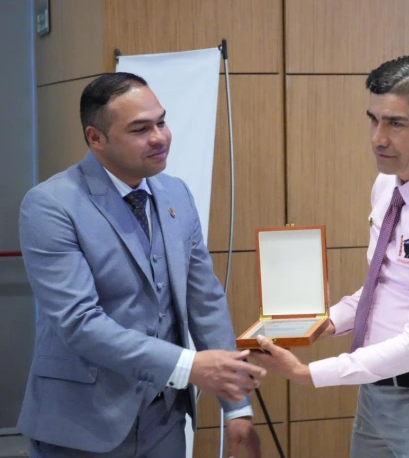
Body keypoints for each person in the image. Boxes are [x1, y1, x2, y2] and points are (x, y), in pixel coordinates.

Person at [251, 55, 409, 458]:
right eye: (374, 120)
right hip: (377, 393)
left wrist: (307, 373)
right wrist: (322, 322)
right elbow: (380, 290)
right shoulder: (388, 184)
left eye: (395, 124)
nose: (378, 138)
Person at [17, 72, 267, 458]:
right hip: (81, 424)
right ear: (95, 138)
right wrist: (187, 365)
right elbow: (79, 322)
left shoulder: (176, 194)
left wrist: (236, 405)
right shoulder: (51, 205)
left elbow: (205, 301)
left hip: (164, 421)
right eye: (140, 129)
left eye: (161, 122)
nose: (159, 137)